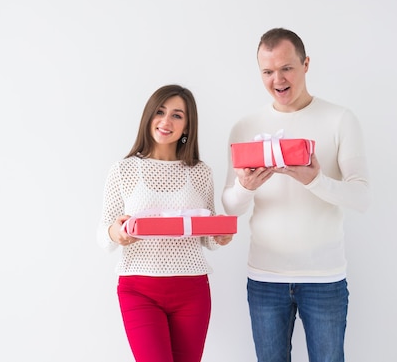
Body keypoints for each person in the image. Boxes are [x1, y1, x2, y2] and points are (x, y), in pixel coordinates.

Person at [221, 28, 371, 362]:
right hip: (264, 278)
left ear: (305, 64)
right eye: (267, 71)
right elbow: (229, 206)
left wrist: (316, 180)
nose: (278, 79)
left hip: (325, 278)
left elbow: (361, 197)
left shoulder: (340, 119)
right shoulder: (244, 127)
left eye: (286, 67)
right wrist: (246, 187)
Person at [98, 84, 233, 362]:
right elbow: (104, 233)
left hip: (192, 291)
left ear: (187, 126)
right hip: (139, 290)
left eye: (177, 115)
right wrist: (117, 232)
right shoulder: (123, 170)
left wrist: (220, 235)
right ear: (149, 116)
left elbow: (206, 235)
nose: (166, 121)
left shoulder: (201, 172)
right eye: (160, 112)